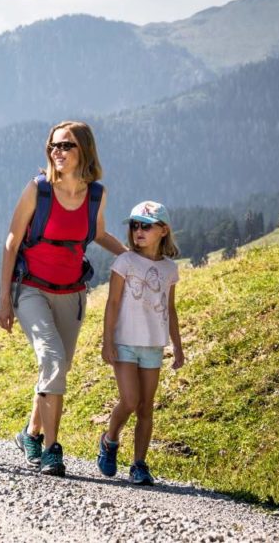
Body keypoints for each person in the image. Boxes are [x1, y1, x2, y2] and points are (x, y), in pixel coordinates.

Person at [0, 120, 126, 476]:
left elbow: (97, 233)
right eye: (53, 146)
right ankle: (52, 448)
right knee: (52, 359)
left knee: (56, 369)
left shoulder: (95, 194)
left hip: (72, 293)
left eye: (66, 145)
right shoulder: (37, 190)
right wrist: (4, 299)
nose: (57, 152)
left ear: (83, 150)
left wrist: (132, 256)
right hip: (32, 289)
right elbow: (12, 242)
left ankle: (30, 433)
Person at [97, 200, 184, 486]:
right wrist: (107, 341)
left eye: (146, 226)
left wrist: (178, 346)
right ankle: (110, 440)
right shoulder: (124, 262)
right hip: (124, 342)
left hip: (153, 345)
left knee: (146, 407)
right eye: (134, 226)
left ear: (163, 230)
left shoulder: (170, 269)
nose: (138, 232)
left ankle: (139, 465)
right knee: (131, 400)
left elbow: (170, 310)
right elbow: (112, 303)